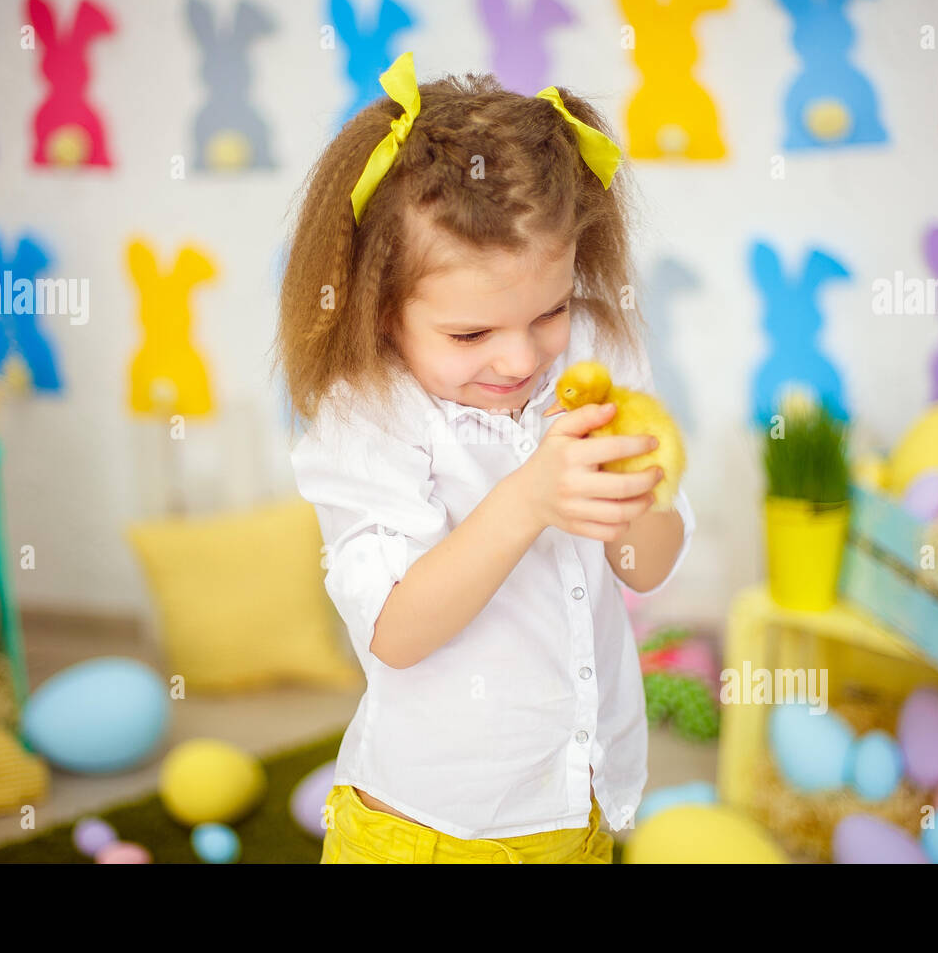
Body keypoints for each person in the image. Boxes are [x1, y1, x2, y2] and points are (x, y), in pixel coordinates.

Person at [274, 51, 695, 863]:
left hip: (579, 804)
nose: (517, 359)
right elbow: (394, 632)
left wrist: (635, 500)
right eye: (470, 334)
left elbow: (647, 568)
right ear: (381, 309)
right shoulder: (369, 413)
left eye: (550, 310)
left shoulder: (595, 349)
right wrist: (528, 499)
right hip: (430, 829)